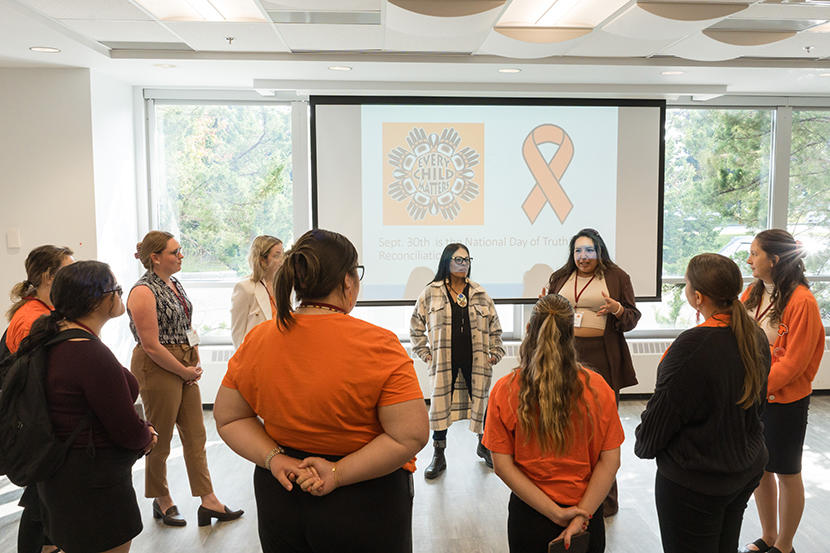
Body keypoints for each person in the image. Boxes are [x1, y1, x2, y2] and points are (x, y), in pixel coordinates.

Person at [214, 228, 428, 553]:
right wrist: (337, 473)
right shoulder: (379, 344)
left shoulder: (259, 338)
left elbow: (229, 418)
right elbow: (409, 436)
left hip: (282, 493)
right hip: (365, 497)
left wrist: (275, 459)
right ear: (347, 281)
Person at [17, 261, 159, 553]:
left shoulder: (53, 339)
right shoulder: (89, 353)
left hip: (61, 479)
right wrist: (149, 436)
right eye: (117, 289)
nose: (121, 294)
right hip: (94, 485)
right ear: (99, 300)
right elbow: (126, 430)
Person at [635, 253, 771, 553]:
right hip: (744, 470)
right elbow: (756, 407)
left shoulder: (691, 346)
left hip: (696, 483)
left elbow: (663, 415)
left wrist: (643, 445)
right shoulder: (755, 337)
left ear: (697, 297)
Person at [483, 293, 623, 553]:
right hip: (587, 516)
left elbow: (502, 465)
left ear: (528, 330)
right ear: (571, 334)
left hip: (530, 517)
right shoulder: (598, 388)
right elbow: (610, 461)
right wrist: (581, 516)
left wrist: (556, 514)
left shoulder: (504, 390)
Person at [127, 230, 241, 527]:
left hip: (184, 361)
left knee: (196, 434)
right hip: (157, 365)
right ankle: (161, 499)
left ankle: (208, 499)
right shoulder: (142, 291)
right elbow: (151, 345)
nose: (181, 256)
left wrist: (196, 356)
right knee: (160, 437)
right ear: (155, 258)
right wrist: (182, 369)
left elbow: (187, 325)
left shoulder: (174, 284)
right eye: (174, 251)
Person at [739, 229, 824, 553]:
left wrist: (755, 388)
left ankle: (785, 545)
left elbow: (794, 363)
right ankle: (769, 535)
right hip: (754, 394)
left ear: (774, 260)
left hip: (783, 400)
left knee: (787, 471)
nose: (749, 260)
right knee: (760, 469)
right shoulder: (752, 292)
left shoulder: (802, 301)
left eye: (755, 254)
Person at [546, 228, 640, 515]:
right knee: (566, 424)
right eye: (578, 251)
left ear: (600, 252)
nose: (583, 256)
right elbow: (549, 313)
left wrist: (618, 310)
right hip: (564, 356)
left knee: (602, 430)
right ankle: (567, 492)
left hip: (602, 358)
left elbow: (633, 317)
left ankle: (606, 499)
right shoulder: (560, 277)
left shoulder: (616, 277)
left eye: (589, 250)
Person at [410, 242, 504, 478]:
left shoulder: (481, 293)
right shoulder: (430, 293)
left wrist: (495, 352)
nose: (464, 264)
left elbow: (495, 328)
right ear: (446, 262)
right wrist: (425, 353)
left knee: (481, 404)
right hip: (444, 362)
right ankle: (439, 455)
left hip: (476, 360)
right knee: (440, 409)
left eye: (467, 260)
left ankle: (484, 446)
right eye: (458, 260)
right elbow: (415, 328)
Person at [5, 244, 73, 553]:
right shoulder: (29, 318)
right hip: (36, 424)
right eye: (67, 270)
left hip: (43, 420)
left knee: (43, 500)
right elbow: (36, 378)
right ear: (49, 276)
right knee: (40, 500)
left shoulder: (44, 312)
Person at [230, 235, 283, 348]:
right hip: (256, 353)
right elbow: (237, 333)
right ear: (262, 259)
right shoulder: (245, 287)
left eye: (282, 254)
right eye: (277, 255)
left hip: (281, 350)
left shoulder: (284, 286)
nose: (282, 260)